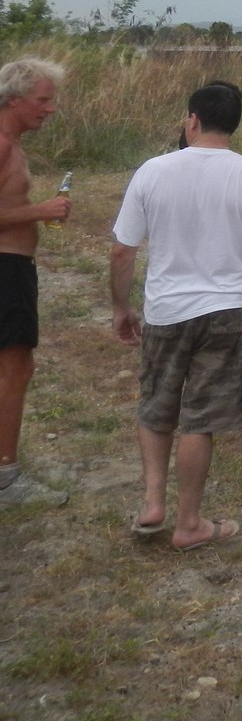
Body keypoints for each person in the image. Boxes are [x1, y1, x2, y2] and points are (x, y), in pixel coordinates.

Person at [111, 81, 242, 549]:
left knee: (157, 405)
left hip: (167, 309)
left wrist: (121, 307)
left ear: (192, 120)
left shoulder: (152, 170)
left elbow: (123, 249)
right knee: (201, 418)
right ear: (234, 125)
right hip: (227, 310)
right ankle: (189, 523)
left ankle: (153, 503)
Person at [0, 57, 70, 508]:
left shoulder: (12, 143)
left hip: (12, 267)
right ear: (13, 99)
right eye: (43, 100)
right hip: (6, 270)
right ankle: (6, 478)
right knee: (15, 368)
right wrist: (39, 211)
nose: (50, 108)